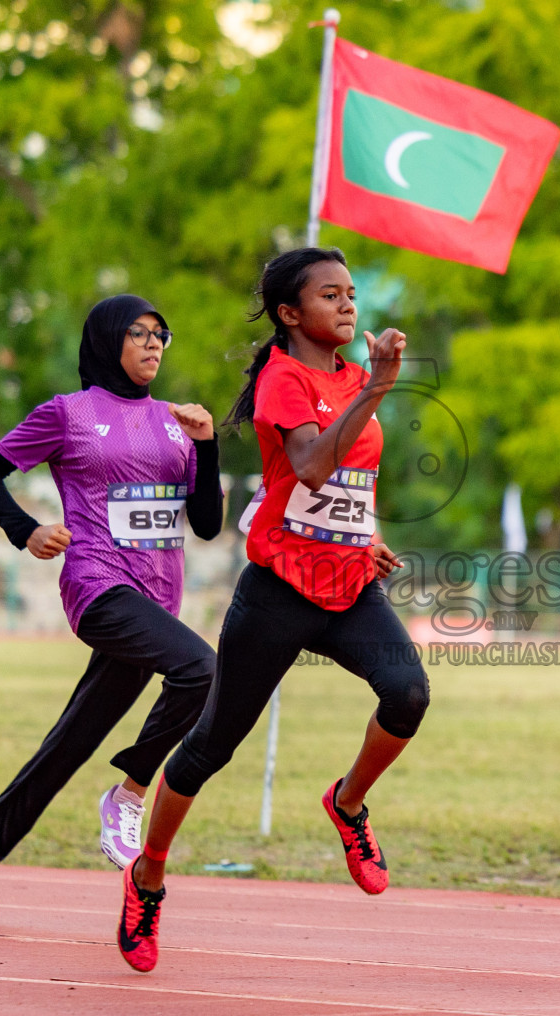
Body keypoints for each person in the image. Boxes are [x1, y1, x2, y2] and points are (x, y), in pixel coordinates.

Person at [116, 248, 427, 973]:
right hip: (279, 590)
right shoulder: (285, 382)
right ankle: (148, 877)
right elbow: (312, 462)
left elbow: (340, 481)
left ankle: (347, 804)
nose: (349, 306)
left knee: (408, 693)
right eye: (331, 295)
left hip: (349, 584)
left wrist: (363, 534)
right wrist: (378, 390)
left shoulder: (353, 377)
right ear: (291, 314)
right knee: (209, 747)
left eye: (351, 294)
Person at [0, 294, 223, 924]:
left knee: (75, 737)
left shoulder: (173, 422)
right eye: (140, 333)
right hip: (98, 586)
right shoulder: (67, 414)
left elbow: (206, 523)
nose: (155, 344)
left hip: (158, 596)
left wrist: (207, 446)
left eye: (163, 334)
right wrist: (26, 530)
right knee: (201, 669)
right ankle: (129, 793)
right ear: (107, 340)